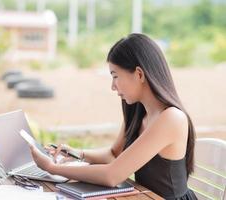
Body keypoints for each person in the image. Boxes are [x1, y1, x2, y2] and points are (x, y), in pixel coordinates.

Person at [28, 33, 197, 200]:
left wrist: (52, 168)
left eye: (115, 76)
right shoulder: (138, 111)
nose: (112, 87)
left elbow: (112, 175)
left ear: (139, 74)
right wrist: (75, 153)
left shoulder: (172, 118)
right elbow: (113, 155)